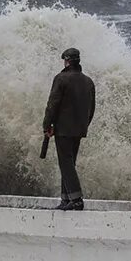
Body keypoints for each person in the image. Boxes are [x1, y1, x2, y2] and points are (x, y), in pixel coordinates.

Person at [42, 47, 95, 211]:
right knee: (69, 163)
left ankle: (76, 199)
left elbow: (52, 104)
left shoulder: (61, 78)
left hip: (63, 128)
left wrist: (47, 125)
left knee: (65, 163)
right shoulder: (88, 81)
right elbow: (91, 108)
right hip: (79, 128)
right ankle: (66, 199)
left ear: (66, 61)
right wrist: (84, 125)